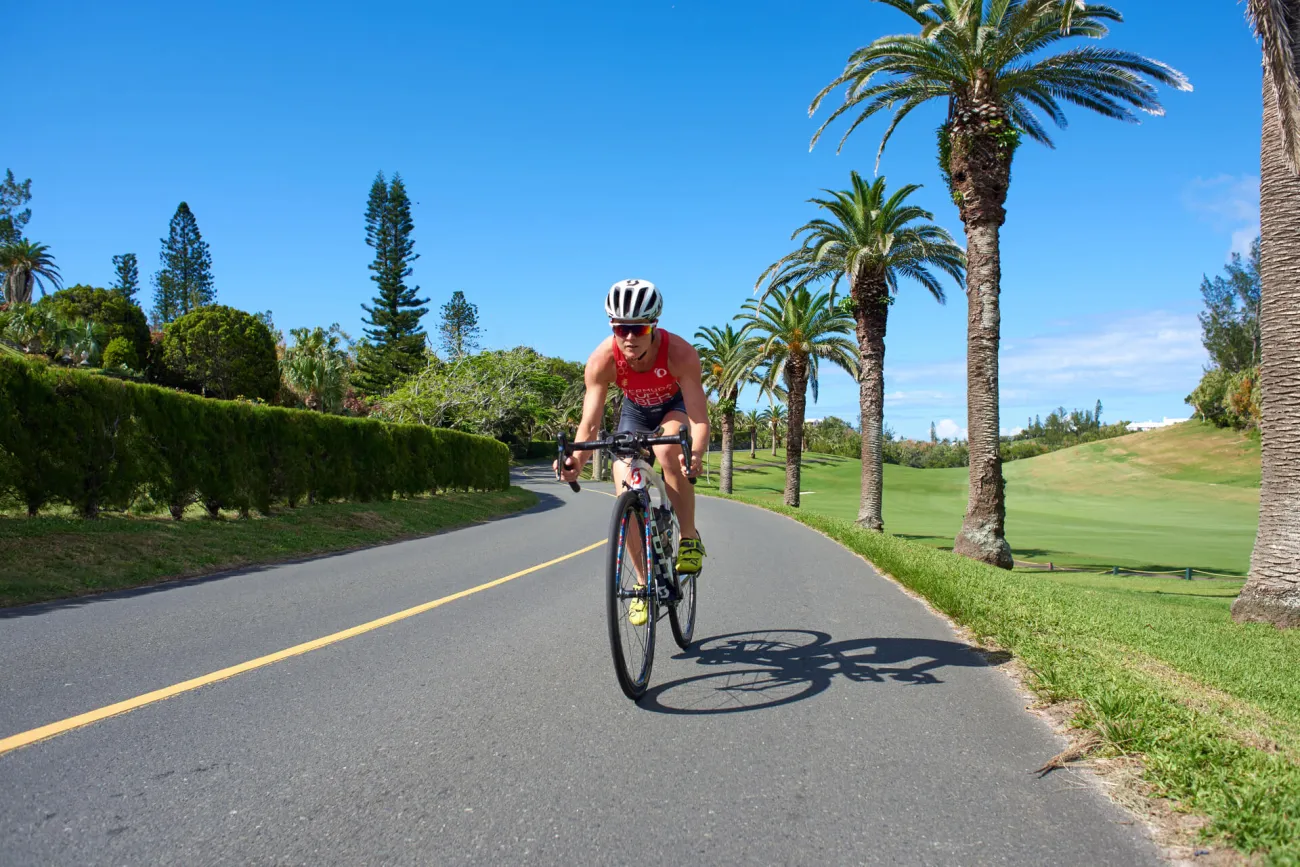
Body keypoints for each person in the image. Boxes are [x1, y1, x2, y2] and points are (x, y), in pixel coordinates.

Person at [555, 279, 709, 625]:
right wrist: (576, 460)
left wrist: (695, 452)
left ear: (653, 326)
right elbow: (590, 424)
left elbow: (699, 419)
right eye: (621, 327)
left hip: (675, 407)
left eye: (637, 328)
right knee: (622, 475)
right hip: (636, 412)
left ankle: (688, 537)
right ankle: (642, 585)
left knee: (668, 452)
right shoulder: (601, 360)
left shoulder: (680, 354)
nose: (628, 337)